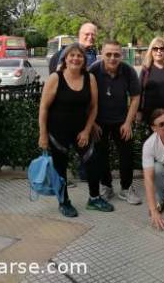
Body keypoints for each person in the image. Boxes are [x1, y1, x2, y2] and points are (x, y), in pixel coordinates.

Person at [38, 43, 107, 217]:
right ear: (65, 58)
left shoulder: (89, 78)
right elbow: (44, 108)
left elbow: (94, 107)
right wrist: (43, 134)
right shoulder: (56, 78)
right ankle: (64, 202)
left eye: (79, 56)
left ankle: (94, 198)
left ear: (84, 60)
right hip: (57, 131)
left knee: (92, 162)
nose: (76, 58)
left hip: (81, 130)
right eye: (72, 55)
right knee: (60, 168)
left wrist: (86, 130)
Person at [88, 40, 142, 205]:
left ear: (122, 55)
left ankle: (126, 188)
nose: (112, 58)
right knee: (101, 155)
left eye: (116, 54)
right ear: (102, 54)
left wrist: (128, 122)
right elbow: (87, 99)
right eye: (109, 54)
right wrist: (92, 123)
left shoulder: (128, 71)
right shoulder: (93, 70)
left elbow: (135, 98)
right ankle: (106, 186)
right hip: (99, 122)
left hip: (121, 121)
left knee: (126, 155)